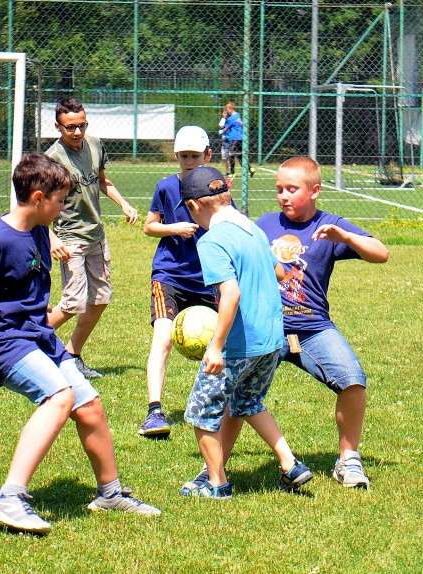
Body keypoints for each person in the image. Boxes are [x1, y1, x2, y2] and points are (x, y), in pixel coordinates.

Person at [0, 153, 160, 535]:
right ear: (38, 198)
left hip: (38, 336)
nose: (64, 206)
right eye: (60, 200)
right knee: (59, 397)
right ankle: (9, 497)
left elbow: (34, 260)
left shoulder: (39, 228)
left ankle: (110, 494)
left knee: (89, 406)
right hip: (3, 341)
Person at [177, 165, 313, 498]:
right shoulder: (251, 229)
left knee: (201, 412)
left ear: (195, 206)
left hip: (238, 345)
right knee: (248, 402)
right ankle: (290, 464)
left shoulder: (213, 241)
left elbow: (232, 293)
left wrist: (216, 346)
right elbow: (281, 272)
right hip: (270, 340)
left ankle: (217, 484)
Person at [255, 156, 389, 489]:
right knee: (238, 395)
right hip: (266, 327)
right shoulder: (265, 223)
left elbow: (380, 252)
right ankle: (216, 470)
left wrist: (345, 237)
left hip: (313, 327)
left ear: (315, 191)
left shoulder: (329, 225)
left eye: (292, 189)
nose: (284, 196)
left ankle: (348, 460)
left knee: (353, 381)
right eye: (279, 189)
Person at [44, 97, 140, 379]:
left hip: (96, 235)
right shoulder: (52, 158)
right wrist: (51, 238)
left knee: (99, 299)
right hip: (70, 238)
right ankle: (26, 342)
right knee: (73, 302)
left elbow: (101, 180)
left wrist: (123, 204)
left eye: (82, 125)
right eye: (70, 127)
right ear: (58, 126)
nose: (77, 132)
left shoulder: (95, 144)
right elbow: (40, 203)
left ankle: (72, 356)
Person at [138, 126, 219, 439]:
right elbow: (149, 227)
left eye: (195, 157)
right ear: (176, 156)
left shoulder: (216, 186)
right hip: (169, 275)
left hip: (207, 278)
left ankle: (213, 405)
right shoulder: (165, 187)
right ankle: (154, 411)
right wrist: (176, 228)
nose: (188, 162)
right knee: (164, 337)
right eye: (183, 156)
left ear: (207, 155)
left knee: (219, 342)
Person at [219, 102, 252, 178]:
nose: (227, 112)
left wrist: (221, 131)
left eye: (227, 110)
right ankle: (250, 169)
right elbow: (241, 123)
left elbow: (226, 127)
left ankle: (232, 172)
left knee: (231, 154)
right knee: (240, 155)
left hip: (234, 138)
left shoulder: (230, 119)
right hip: (241, 137)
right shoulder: (238, 115)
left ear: (231, 109)